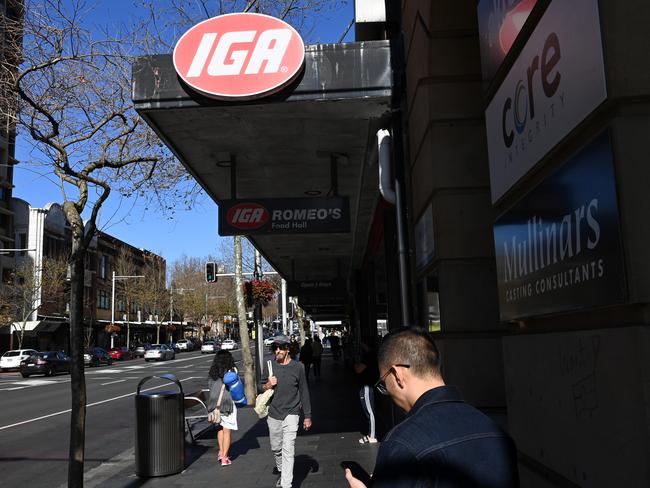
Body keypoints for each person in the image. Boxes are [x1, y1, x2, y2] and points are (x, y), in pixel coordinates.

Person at [345, 328, 519, 488]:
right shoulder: (497, 433)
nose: (387, 391)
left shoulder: (402, 445)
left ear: (397, 375)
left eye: (383, 383)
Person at [261, 335, 312, 488]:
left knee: (288, 449)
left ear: (288, 349)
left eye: (281, 347)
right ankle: (282, 472)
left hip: (292, 412)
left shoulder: (298, 367)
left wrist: (307, 416)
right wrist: (268, 385)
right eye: (275, 347)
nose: (278, 350)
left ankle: (286, 484)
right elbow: (260, 387)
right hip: (274, 413)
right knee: (277, 448)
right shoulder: (269, 365)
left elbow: (304, 391)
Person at [207, 350, 238, 466]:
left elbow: (209, 385)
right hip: (227, 403)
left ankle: (221, 452)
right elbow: (236, 387)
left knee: (220, 428)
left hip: (214, 404)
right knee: (227, 430)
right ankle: (224, 457)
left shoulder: (212, 372)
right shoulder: (232, 371)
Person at [353, 341, 379, 444]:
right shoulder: (372, 356)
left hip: (367, 386)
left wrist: (355, 362)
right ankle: (371, 434)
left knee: (370, 411)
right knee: (368, 410)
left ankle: (372, 436)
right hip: (366, 385)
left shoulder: (369, 356)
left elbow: (359, 369)